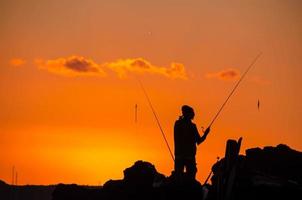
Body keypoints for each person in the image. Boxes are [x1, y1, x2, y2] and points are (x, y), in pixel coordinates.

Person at [174, 105, 210, 181]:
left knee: (177, 178)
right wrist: (206, 134)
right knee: (190, 178)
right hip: (190, 157)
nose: (193, 115)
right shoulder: (192, 126)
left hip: (178, 156)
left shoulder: (177, 124)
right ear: (189, 114)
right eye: (192, 113)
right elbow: (199, 141)